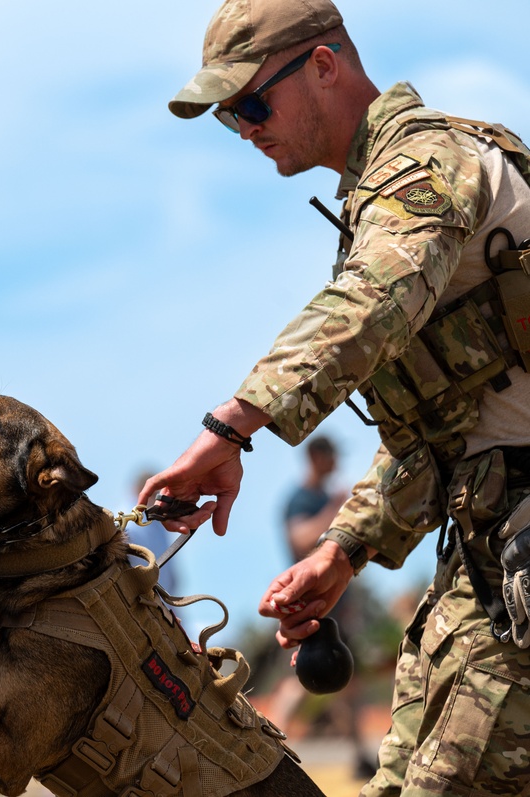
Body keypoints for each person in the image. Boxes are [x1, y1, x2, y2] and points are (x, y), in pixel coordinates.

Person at [139, 0, 530, 793]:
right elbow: (440, 427)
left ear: (324, 66)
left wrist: (230, 428)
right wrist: (345, 549)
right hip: (488, 557)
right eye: (227, 116)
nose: (245, 128)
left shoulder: (427, 164)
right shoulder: (383, 194)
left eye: (252, 102)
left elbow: (364, 308)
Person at [271, 436, 375, 780]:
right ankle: (270, 747)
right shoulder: (301, 498)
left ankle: (361, 757)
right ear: (317, 457)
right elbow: (300, 540)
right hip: (308, 607)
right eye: (332, 457)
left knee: (347, 684)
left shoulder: (322, 497)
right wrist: (334, 509)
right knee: (297, 682)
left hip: (336, 607)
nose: (336, 464)